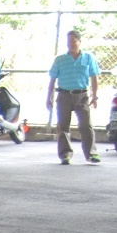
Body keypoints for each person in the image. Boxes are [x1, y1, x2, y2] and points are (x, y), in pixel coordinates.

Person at [46, 30, 101, 165]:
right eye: (68, 41)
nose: (70, 44)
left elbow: (94, 78)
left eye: (73, 41)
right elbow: (52, 80)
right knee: (63, 126)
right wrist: (49, 97)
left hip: (82, 96)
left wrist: (95, 96)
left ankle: (91, 153)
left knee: (86, 125)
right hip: (64, 95)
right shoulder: (60, 59)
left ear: (79, 42)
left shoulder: (88, 58)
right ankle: (65, 154)